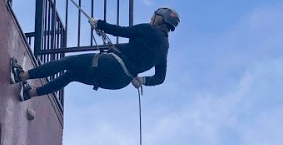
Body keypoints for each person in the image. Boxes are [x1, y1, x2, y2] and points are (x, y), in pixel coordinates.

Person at [10, 7, 180, 101]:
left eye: (155, 16)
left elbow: (121, 31)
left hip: (112, 65)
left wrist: (100, 24)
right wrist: (143, 80)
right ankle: (29, 93)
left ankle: (21, 75)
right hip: (119, 82)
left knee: (67, 63)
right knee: (71, 76)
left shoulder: (148, 30)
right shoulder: (164, 50)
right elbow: (160, 78)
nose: (152, 18)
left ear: (159, 20)